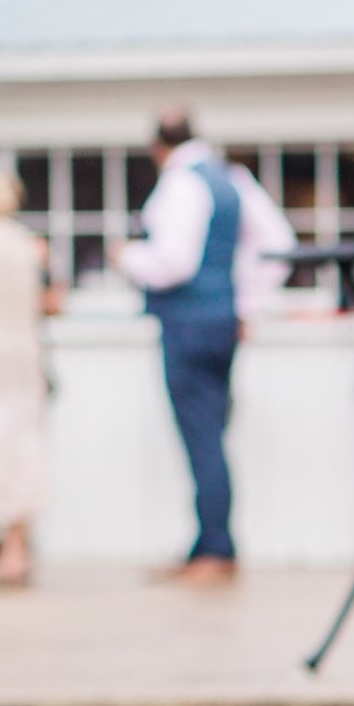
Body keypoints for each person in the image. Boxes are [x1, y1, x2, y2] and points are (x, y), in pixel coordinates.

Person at [115, 111, 293, 583]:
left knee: (201, 436)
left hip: (188, 324)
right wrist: (246, 305)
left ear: (157, 147)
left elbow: (173, 262)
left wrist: (127, 257)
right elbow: (278, 243)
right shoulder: (234, 179)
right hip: (219, 324)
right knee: (210, 432)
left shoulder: (179, 184)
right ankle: (208, 544)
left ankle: (214, 549)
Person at [0, 163, 63, 588]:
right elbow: (54, 303)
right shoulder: (32, 246)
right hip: (23, 356)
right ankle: (14, 551)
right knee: (23, 445)